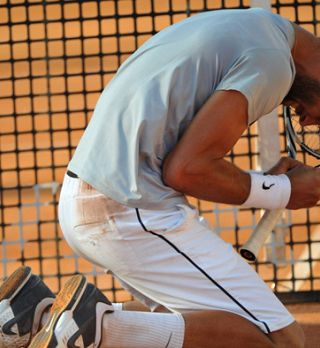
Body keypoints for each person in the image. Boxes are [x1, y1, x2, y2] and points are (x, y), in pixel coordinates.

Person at [1, 7, 320, 348]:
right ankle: (93, 329)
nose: (305, 123)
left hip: (86, 200)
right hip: (128, 210)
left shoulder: (256, 27)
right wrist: (282, 192)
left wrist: (275, 186)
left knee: (206, 324)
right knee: (280, 340)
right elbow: (187, 170)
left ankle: (36, 314)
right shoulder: (271, 62)